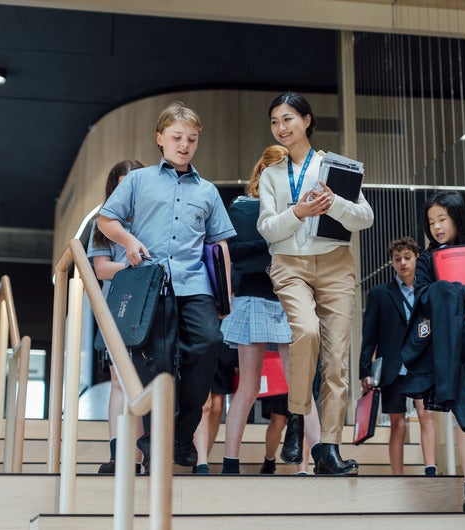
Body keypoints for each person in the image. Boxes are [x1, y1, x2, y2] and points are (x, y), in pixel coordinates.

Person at [97, 101, 236, 473]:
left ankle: (180, 435)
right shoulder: (140, 181)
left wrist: (227, 296)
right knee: (157, 366)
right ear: (161, 139)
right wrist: (127, 241)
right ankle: (154, 444)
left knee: (208, 345)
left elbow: (220, 245)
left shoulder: (207, 191)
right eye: (177, 137)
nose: (184, 145)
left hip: (196, 285)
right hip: (150, 288)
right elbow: (106, 219)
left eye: (191, 139)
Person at [257, 92, 374, 475]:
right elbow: (268, 230)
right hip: (289, 265)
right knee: (305, 332)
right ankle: (296, 416)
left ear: (307, 120)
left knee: (337, 359)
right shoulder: (272, 175)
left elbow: (364, 218)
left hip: (336, 264)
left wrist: (333, 202)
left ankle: (329, 448)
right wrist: (298, 212)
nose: (281, 127)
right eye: (275, 121)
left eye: (288, 118)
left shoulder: (334, 165)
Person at [220, 144, 322, 474]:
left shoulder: (299, 211)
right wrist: (273, 240)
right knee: (247, 385)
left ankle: (322, 458)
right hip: (254, 298)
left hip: (289, 298)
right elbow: (232, 252)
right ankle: (230, 462)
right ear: (263, 172)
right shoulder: (244, 208)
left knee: (300, 384)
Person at [412, 191, 465, 513]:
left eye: (442, 219)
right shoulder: (427, 260)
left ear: (458, 217)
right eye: (431, 222)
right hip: (452, 342)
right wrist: (463, 295)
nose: (436, 227)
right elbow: (423, 296)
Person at [359, 236, 437, 476]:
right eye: (397, 259)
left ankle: (430, 470)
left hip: (422, 364)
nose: (403, 263)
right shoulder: (379, 294)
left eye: (407, 258)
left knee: (426, 414)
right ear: (391, 262)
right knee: (397, 423)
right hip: (393, 367)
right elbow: (369, 335)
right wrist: (365, 371)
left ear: (416, 259)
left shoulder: (429, 291)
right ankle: (397, 475)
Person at [87, 159, 145, 475]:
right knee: (120, 383)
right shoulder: (104, 223)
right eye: (122, 186)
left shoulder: (156, 216)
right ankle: (119, 455)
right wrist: (134, 268)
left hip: (155, 308)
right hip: (119, 309)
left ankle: (143, 454)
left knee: (149, 382)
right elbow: (100, 269)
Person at [191, 340, 237, 474]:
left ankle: (202, 457)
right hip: (202, 339)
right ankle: (201, 462)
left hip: (223, 341)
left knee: (217, 407)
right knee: (204, 404)